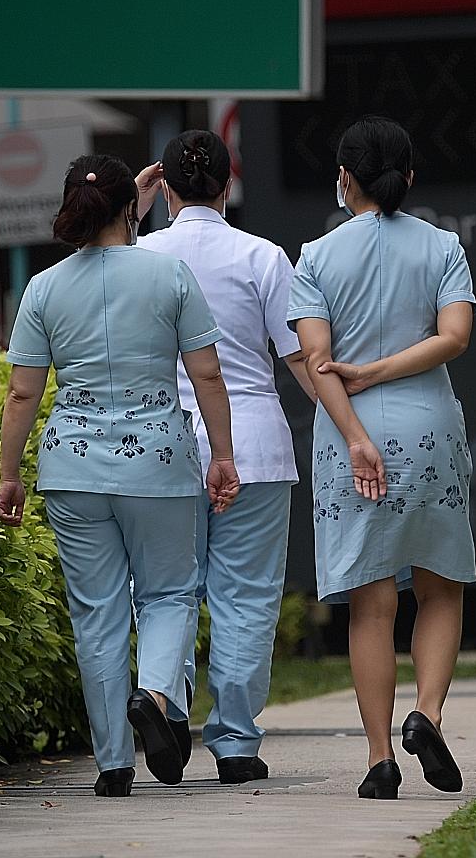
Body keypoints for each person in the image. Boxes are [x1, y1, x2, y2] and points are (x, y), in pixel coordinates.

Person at [0, 155, 241, 798]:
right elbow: (208, 374)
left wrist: (9, 475)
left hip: (72, 467)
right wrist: (223, 454)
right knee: (167, 594)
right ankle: (156, 698)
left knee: (96, 612)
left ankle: (112, 764)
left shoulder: (44, 288)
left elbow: (23, 394)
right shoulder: (169, 274)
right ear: (130, 210)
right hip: (158, 461)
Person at [286, 116, 476, 801]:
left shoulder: (314, 256)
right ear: (410, 177)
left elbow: (316, 361)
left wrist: (357, 431)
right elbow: (455, 337)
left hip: (350, 438)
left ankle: (378, 760)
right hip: (430, 428)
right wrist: (388, 368)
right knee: (439, 588)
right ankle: (425, 714)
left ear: (345, 179)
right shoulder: (444, 246)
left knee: (370, 606)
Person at [133, 130, 317, 784]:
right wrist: (348, 422)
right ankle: (236, 745)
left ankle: (165, 705)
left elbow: (88, 272)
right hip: (254, 448)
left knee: (164, 593)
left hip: (162, 447)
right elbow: (299, 357)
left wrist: (131, 209)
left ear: (167, 188)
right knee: (246, 599)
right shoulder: (264, 258)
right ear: (228, 183)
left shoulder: (140, 256)